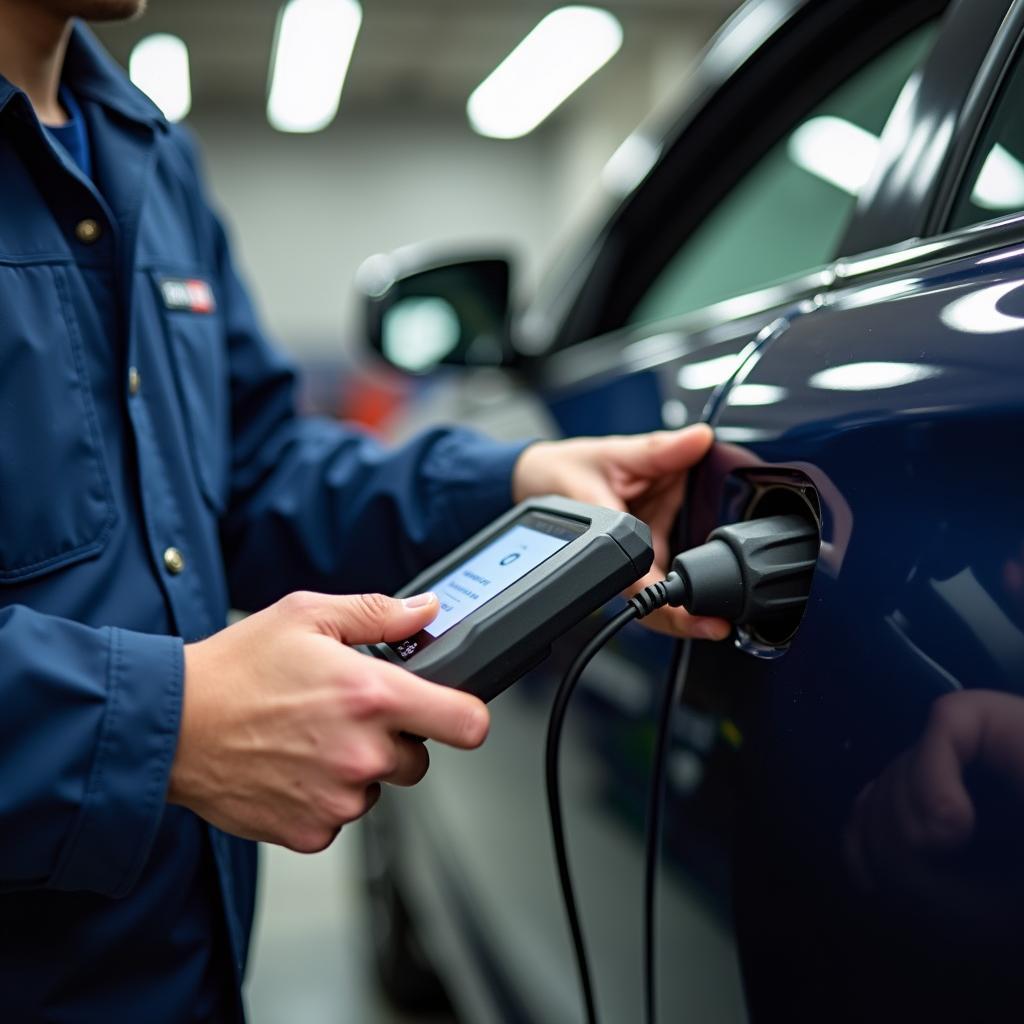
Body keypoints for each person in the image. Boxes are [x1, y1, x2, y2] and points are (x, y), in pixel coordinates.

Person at [0, 2, 730, 1020]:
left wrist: (508, 484)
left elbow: (248, 471)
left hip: (175, 962)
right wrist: (156, 727)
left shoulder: (151, 158)